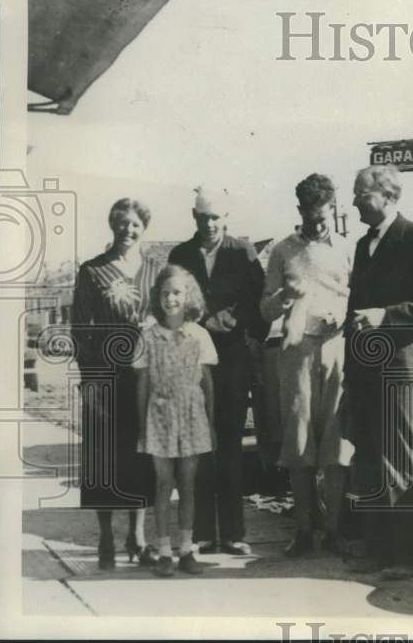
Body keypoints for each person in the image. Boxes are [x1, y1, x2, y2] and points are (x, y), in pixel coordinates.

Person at [343, 164, 413, 579]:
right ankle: (377, 549)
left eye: (361, 194)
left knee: (399, 460)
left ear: (387, 196)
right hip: (366, 369)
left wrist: (385, 315)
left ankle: (406, 556)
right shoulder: (362, 245)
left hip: (402, 367)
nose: (353, 201)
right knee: (370, 457)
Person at [169, 186, 269, 555]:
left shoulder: (243, 252)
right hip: (191, 362)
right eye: (203, 217)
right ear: (193, 217)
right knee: (197, 443)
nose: (210, 224)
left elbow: (259, 301)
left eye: (216, 217)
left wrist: (235, 321)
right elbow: (171, 303)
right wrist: (200, 322)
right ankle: (201, 534)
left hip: (232, 361)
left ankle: (232, 534)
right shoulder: (180, 255)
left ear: (226, 218)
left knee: (229, 444)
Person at [260, 173, 353, 557]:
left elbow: (358, 297)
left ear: (334, 208)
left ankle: (332, 531)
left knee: (336, 442)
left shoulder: (347, 249)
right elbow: (264, 309)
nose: (318, 223)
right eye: (311, 216)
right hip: (296, 352)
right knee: (298, 443)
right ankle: (302, 531)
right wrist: (284, 295)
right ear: (300, 211)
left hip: (336, 349)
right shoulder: (282, 252)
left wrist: (343, 314)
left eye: (324, 215)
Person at [71, 198, 163, 569]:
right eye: (122, 223)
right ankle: (107, 537)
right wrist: (89, 380)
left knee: (141, 456)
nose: (128, 230)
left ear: (145, 227)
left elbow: (171, 314)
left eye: (135, 224)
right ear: (112, 226)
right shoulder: (92, 271)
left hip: (145, 377)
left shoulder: (156, 271)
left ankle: (137, 537)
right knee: (105, 459)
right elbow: (80, 329)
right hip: (105, 377)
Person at [135, 265, 217, 577]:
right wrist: (142, 425)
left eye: (178, 292)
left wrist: (211, 423)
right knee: (163, 483)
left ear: (188, 296)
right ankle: (164, 551)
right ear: (158, 296)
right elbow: (142, 383)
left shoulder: (199, 335)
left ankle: (186, 549)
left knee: (188, 484)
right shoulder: (148, 336)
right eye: (166, 293)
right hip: (159, 416)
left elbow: (208, 382)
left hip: (193, 416)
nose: (171, 299)